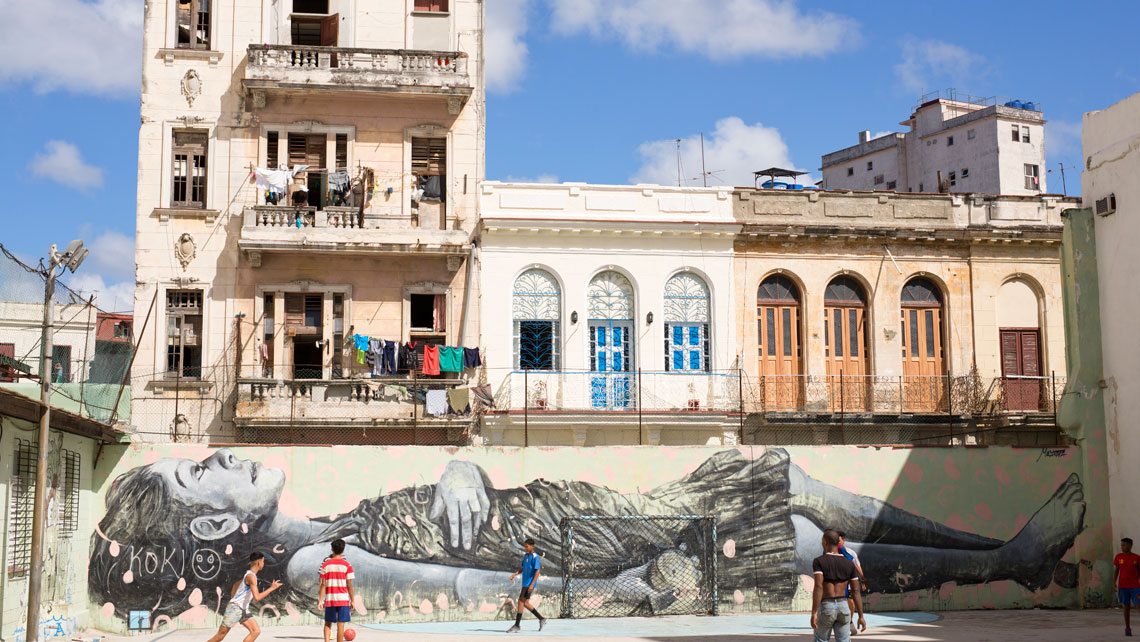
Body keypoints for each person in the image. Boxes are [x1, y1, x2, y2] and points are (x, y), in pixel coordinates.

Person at [90, 449, 1087, 622]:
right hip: (593, 546)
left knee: (786, 518)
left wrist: (463, 466)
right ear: (218, 521)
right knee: (779, 503)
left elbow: (454, 518)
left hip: (583, 516)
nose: (223, 460)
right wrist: (620, 597)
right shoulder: (312, 562)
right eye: (203, 474)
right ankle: (1008, 558)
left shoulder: (327, 529)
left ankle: (1009, 557)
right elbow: (470, 589)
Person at [206, 552, 282, 642]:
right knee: (220, 636)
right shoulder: (251, 577)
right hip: (235, 608)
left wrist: (233, 600)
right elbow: (257, 598)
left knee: (255, 631)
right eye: (263, 561)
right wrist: (272, 588)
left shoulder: (249, 575)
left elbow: (235, 585)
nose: (263, 564)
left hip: (243, 609)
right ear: (259, 563)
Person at [811, 529, 865, 642]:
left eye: (822, 540)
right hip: (843, 607)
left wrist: (814, 612)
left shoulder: (819, 561)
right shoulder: (849, 563)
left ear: (825, 542)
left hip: (827, 606)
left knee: (820, 640)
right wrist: (861, 616)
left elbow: (818, 587)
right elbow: (856, 591)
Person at [318, 539, 355, 642]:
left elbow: (323, 584)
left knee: (328, 623)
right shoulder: (347, 565)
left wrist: (320, 600)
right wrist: (353, 600)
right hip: (343, 599)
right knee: (341, 625)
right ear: (343, 550)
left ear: (332, 549)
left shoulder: (325, 565)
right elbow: (349, 585)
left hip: (330, 599)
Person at [506, 538, 546, 633]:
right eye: (524, 546)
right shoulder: (526, 556)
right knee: (525, 603)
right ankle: (541, 619)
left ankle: (517, 625)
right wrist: (514, 574)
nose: (525, 548)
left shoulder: (535, 557)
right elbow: (522, 568)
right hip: (525, 583)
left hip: (529, 584)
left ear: (532, 546)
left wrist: (532, 584)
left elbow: (538, 571)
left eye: (526, 546)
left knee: (520, 601)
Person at [837, 532, 866, 636]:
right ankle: (845, 624)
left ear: (843, 540)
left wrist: (863, 580)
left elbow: (857, 566)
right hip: (837, 585)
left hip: (849, 583)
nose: (836, 541)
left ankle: (849, 622)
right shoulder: (832, 552)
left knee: (851, 603)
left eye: (838, 539)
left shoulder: (851, 553)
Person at [1115, 537, 1140, 636]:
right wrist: (1114, 583)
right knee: (1126, 607)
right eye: (1121, 545)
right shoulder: (1118, 557)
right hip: (1123, 586)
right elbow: (1116, 571)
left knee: (1139, 605)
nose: (1122, 547)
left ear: (1130, 545)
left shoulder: (1137, 558)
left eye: (1124, 545)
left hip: (1135, 587)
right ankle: (1127, 628)